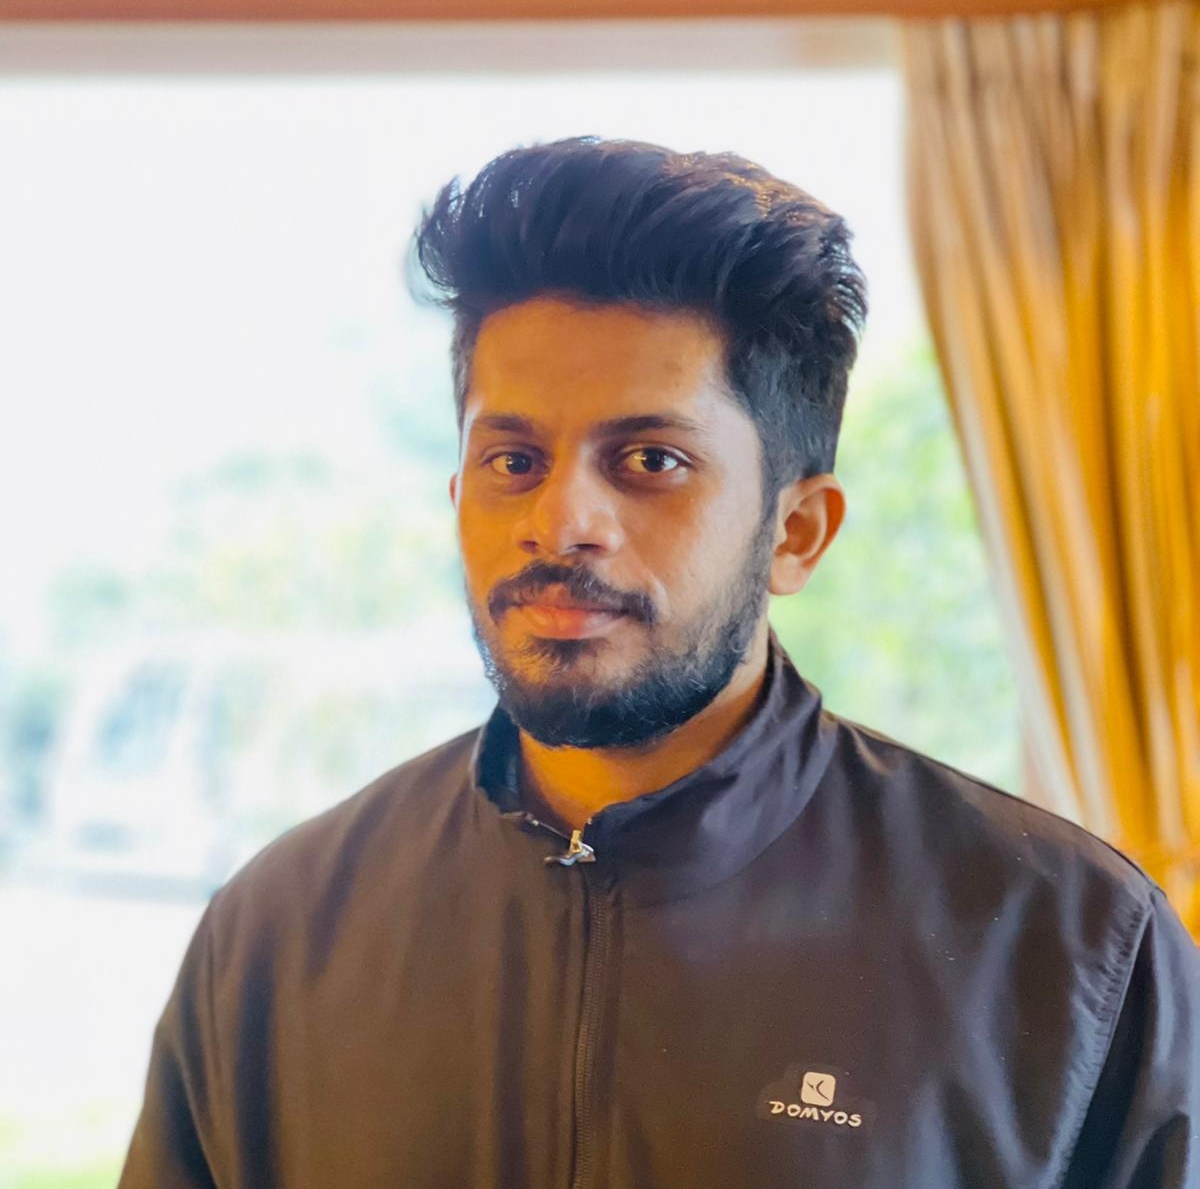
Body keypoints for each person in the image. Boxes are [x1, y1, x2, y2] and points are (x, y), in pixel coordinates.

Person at [119, 136, 1199, 1188]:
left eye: (649, 459)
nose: (561, 522)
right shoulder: (279, 933)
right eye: (514, 460)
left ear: (796, 534)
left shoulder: (1070, 947)